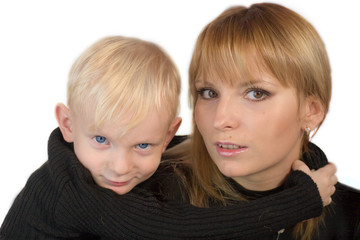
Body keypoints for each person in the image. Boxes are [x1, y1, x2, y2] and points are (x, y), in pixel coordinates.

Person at [0, 35, 336, 239]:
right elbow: (183, 230)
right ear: (68, 125)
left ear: (166, 136)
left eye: (143, 145)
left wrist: (309, 159)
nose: (119, 167)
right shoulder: (71, 192)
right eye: (101, 140)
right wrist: (301, 200)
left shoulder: (97, 159)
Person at [159, 3, 360, 240]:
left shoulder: (352, 220)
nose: (221, 120)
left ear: (311, 111)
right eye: (209, 92)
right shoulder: (138, 188)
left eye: (256, 93)